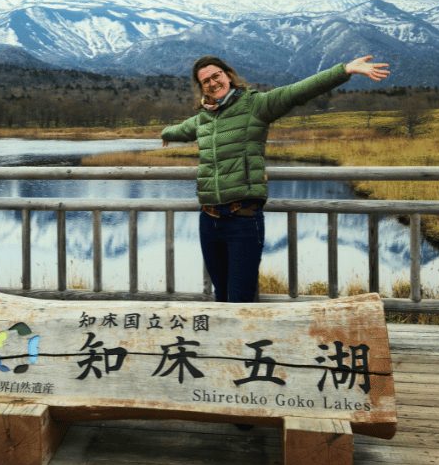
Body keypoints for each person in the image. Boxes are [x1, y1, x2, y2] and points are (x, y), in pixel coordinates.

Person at [161, 55, 389, 303]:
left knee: (240, 300)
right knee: (222, 297)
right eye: (205, 81)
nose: (212, 83)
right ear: (201, 87)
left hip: (242, 218)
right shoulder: (203, 118)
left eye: (216, 76)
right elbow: (181, 130)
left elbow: (297, 92)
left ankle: (248, 341)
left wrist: (344, 70)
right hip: (209, 219)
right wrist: (165, 133)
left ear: (228, 75)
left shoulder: (256, 105)